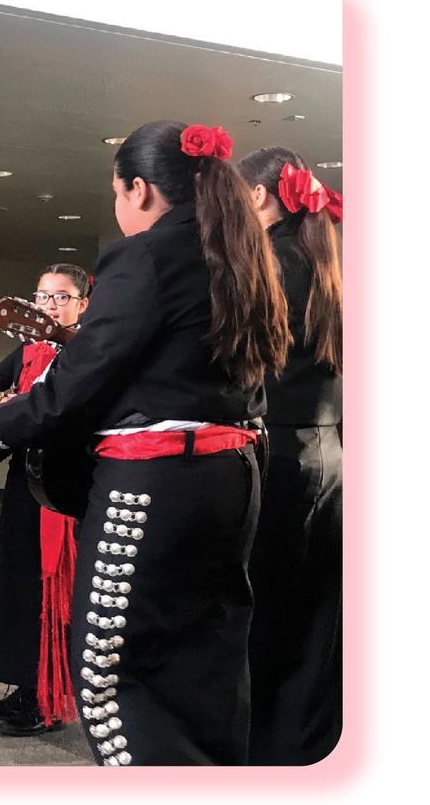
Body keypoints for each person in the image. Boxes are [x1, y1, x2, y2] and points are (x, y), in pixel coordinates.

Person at [0, 120, 291, 766]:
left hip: (154, 486)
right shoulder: (240, 254)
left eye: (116, 193)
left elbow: (82, 381)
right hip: (233, 477)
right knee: (208, 668)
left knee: (118, 677)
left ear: (138, 189)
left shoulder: (144, 254)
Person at [237, 146, 343, 765]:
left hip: (277, 454)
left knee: (264, 612)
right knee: (318, 618)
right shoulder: (327, 262)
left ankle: (263, 754)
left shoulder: (269, 262)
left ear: (256, 197)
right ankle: (307, 751)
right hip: (331, 453)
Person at [0, 263, 90, 737]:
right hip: (25, 481)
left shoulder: (88, 350)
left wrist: (14, 411)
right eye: (42, 297)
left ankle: (50, 699)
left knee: (51, 590)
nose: (48, 306)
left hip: (64, 489)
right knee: (14, 584)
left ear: (83, 304)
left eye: (60, 297)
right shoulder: (28, 350)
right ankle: (24, 686)